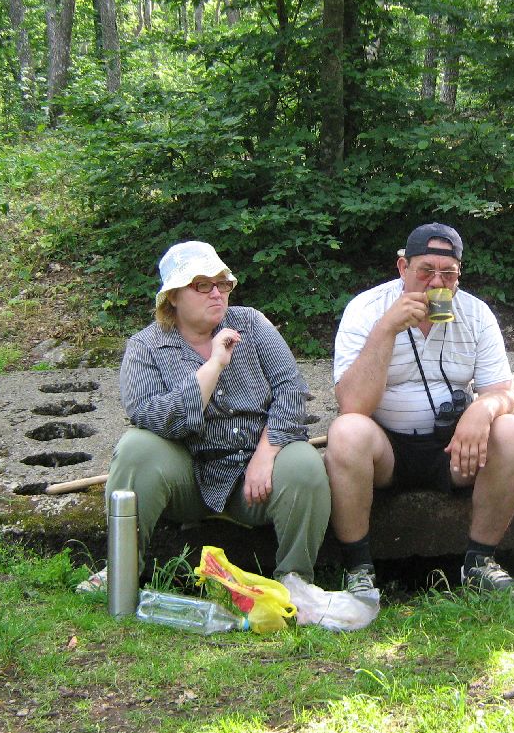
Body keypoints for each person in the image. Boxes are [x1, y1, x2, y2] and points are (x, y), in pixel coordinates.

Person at [76, 241, 330, 594]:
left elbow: (292, 388)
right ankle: (121, 571)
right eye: (202, 285)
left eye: (222, 284)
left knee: (304, 463)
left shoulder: (251, 323)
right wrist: (213, 366)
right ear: (173, 297)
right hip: (188, 478)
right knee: (135, 448)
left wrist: (267, 452)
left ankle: (296, 583)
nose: (216, 293)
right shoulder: (145, 347)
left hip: (254, 478)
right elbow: (153, 416)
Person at [325, 223, 514, 600]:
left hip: (453, 448)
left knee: (512, 431)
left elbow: (503, 392)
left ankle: (480, 564)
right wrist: (387, 329)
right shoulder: (366, 309)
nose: (437, 282)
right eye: (426, 271)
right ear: (403, 268)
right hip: (385, 451)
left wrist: (482, 410)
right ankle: (359, 570)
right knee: (346, 431)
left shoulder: (475, 313)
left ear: (459, 275)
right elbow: (352, 405)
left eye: (448, 273)